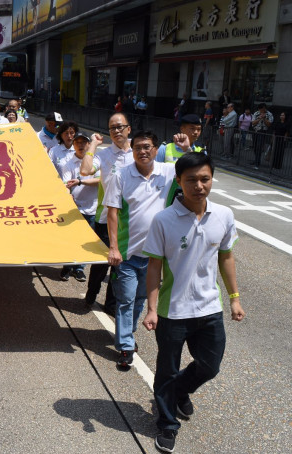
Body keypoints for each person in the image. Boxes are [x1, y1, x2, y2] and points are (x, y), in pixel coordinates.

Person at [142, 152, 244, 453]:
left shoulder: (224, 215)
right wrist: (151, 307)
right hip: (172, 311)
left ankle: (180, 391)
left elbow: (226, 256)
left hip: (210, 308)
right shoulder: (163, 220)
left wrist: (234, 299)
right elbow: (154, 267)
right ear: (178, 182)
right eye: (191, 180)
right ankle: (167, 423)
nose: (199, 186)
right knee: (167, 369)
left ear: (211, 179)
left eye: (205, 179)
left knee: (210, 366)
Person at [103, 130, 176, 369]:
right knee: (125, 299)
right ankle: (125, 345)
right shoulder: (122, 176)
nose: (143, 151)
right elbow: (112, 212)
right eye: (138, 148)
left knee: (141, 298)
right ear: (132, 151)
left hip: (155, 255)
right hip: (127, 253)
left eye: (147, 147)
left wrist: (185, 148)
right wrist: (113, 247)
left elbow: (193, 170)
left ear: (156, 150)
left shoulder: (168, 171)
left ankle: (127, 333)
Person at [79, 113, 134, 315]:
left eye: (120, 127)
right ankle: (91, 295)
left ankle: (111, 304)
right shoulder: (104, 154)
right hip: (104, 217)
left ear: (129, 129)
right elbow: (85, 171)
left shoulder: (137, 153)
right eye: (112, 128)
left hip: (128, 221)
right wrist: (93, 145)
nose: (117, 131)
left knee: (120, 267)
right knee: (101, 264)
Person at [61, 132, 100, 282]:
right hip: (73, 208)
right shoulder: (69, 164)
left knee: (86, 241)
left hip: (91, 208)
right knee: (71, 239)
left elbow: (100, 180)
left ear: (89, 144)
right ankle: (67, 266)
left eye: (84, 142)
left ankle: (79, 269)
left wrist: (80, 181)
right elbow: (66, 184)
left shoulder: (96, 161)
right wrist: (67, 194)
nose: (81, 145)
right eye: (77, 142)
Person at [250, 103, 273, 167]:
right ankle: (256, 160)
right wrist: (259, 118)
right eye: (260, 109)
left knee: (259, 146)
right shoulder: (256, 113)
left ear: (264, 108)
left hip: (262, 131)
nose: (261, 111)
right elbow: (253, 123)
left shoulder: (269, 114)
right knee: (255, 146)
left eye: (262, 109)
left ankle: (257, 162)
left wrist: (264, 118)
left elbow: (269, 124)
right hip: (255, 131)